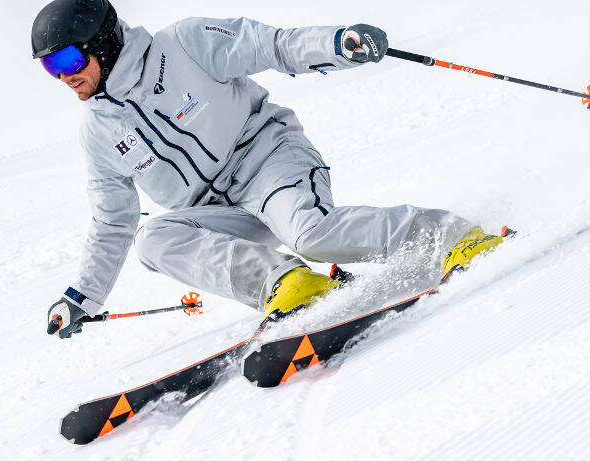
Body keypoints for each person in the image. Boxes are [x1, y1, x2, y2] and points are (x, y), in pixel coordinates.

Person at [36, 0, 506, 339]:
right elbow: (112, 220)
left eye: (67, 59)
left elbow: (272, 46)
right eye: (49, 68)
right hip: (220, 211)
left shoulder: (183, 44)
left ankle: (452, 236)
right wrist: (82, 297)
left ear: (103, 41)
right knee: (153, 239)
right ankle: (288, 284)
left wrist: (338, 44)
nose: (62, 76)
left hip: (269, 161)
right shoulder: (98, 131)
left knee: (313, 236)